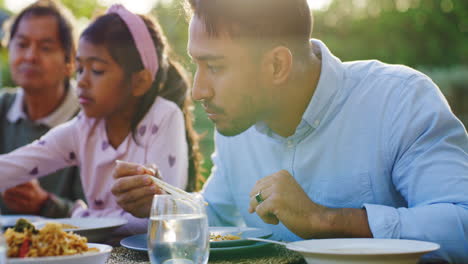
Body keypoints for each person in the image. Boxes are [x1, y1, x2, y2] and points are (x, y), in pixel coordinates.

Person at [111, 0, 468, 262]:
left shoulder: (400, 100)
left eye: (215, 67)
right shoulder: (237, 119)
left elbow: (461, 226)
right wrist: (166, 201)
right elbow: (218, 217)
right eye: (195, 64)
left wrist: (325, 220)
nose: (198, 90)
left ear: (277, 65)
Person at [0, 3, 203, 236]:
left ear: (139, 81)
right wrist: (86, 219)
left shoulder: (164, 117)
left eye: (96, 70)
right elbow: (15, 165)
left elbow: (164, 216)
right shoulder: (84, 127)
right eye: (80, 70)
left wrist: (80, 215)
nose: (83, 82)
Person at [0, 0, 85, 218]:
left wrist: (45, 203)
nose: (30, 56)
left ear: (70, 61)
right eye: (21, 44)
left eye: (46, 47)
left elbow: (104, 216)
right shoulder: (2, 106)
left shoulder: (91, 118)